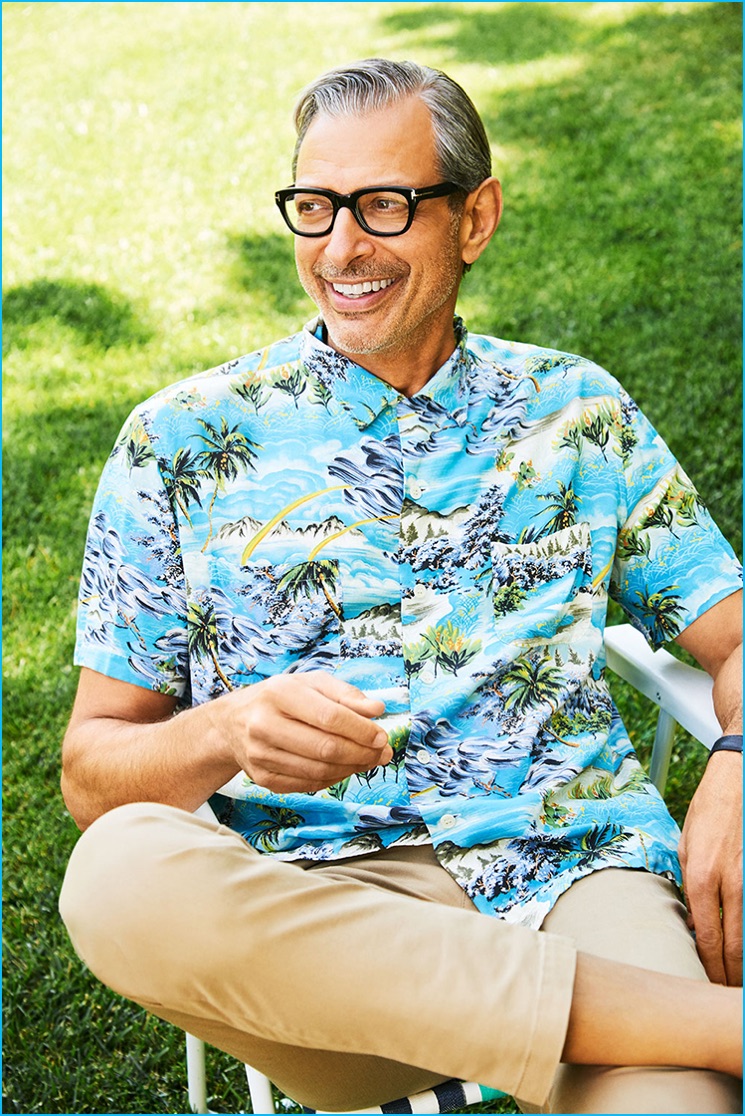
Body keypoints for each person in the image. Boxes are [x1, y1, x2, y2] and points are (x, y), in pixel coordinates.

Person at [59, 59, 743, 1114]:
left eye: (384, 205)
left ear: (475, 219)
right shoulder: (178, 440)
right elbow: (92, 774)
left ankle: (641, 1031)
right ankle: (713, 1026)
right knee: (116, 875)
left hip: (576, 880)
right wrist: (226, 734)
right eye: (314, 207)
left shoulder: (576, 410)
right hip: (327, 934)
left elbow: (735, 637)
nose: (340, 248)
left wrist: (736, 761)